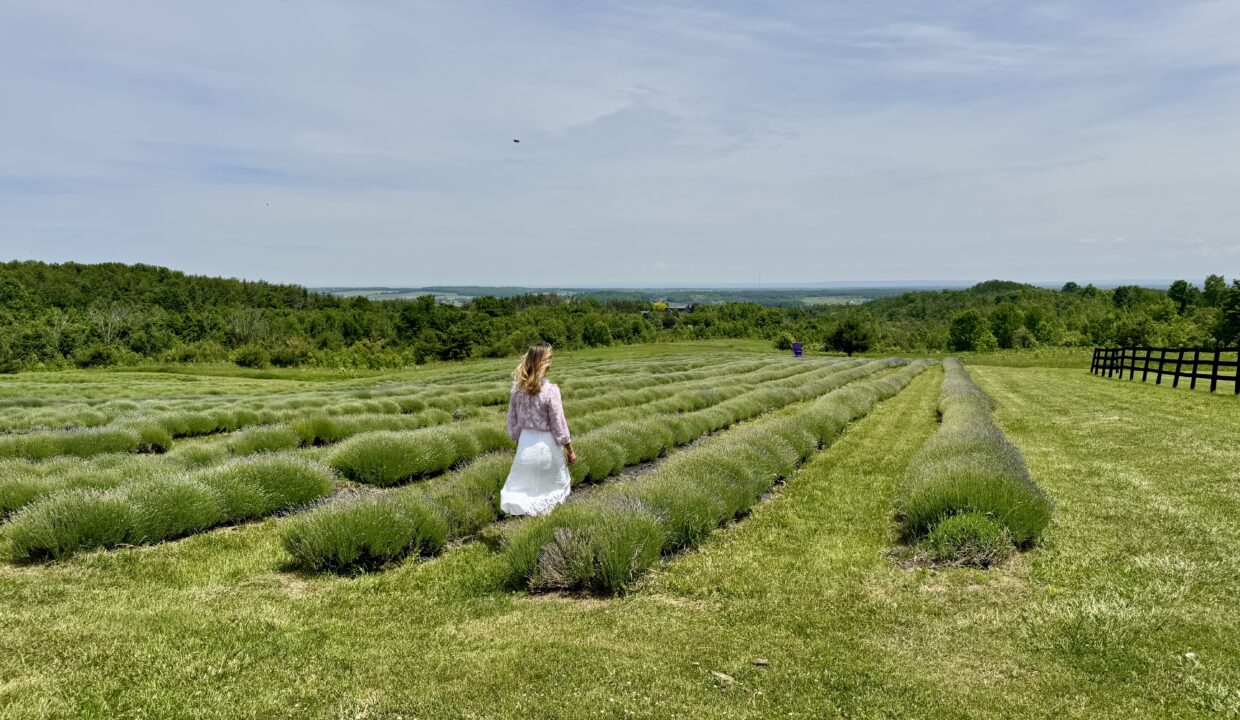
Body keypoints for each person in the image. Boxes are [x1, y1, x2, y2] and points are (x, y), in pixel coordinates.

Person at [500, 343, 577, 516]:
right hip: (547, 445)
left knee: (524, 490)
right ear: (545, 362)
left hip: (525, 444)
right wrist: (569, 450)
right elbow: (558, 424)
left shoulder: (517, 390)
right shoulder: (551, 390)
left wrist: (519, 442)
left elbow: (512, 421)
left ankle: (529, 524)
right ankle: (546, 526)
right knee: (552, 490)